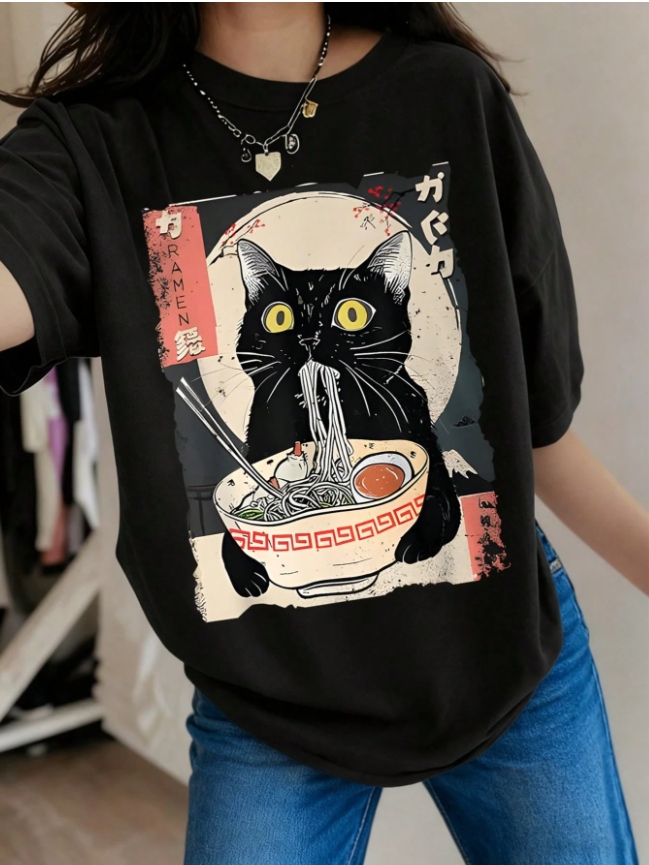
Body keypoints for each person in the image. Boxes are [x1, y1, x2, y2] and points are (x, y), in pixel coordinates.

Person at [0, 4, 646, 863]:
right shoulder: (92, 142)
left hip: (497, 659)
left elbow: (534, 431)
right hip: (267, 694)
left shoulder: (449, 93)